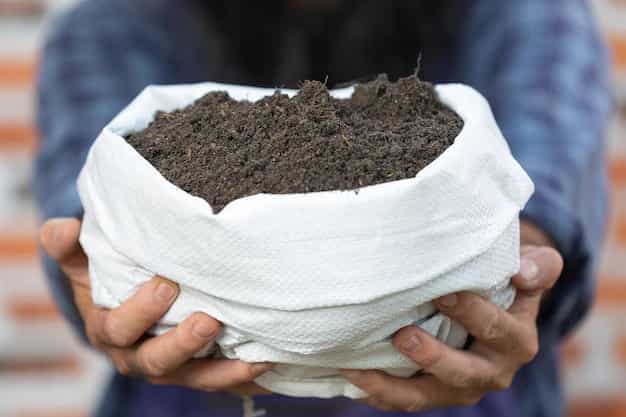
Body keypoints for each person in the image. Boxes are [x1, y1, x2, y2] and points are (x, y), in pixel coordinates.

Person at [35, 1, 611, 417]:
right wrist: (96, 278)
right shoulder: (117, 24)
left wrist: (525, 260)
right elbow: (92, 210)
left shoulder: (525, 16)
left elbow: (544, 174)